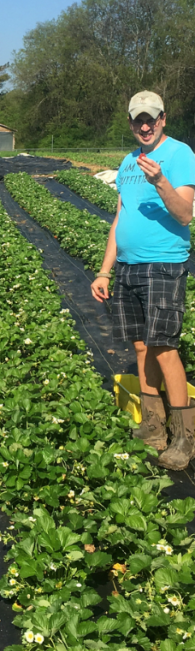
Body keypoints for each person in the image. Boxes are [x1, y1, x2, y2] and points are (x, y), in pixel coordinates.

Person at [91, 91, 195, 469]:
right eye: (138, 120)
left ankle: (184, 438)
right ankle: (153, 428)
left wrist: (162, 183)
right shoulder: (128, 161)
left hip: (164, 266)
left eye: (151, 118)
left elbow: (185, 215)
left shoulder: (180, 155)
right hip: (128, 268)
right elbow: (119, 219)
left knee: (164, 347)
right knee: (140, 347)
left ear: (163, 118)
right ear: (131, 123)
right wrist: (105, 270)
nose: (145, 125)